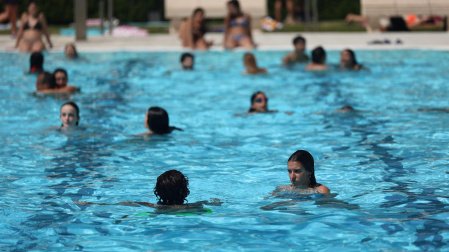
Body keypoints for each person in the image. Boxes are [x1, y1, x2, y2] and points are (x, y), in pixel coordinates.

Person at [75, 170, 222, 211]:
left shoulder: (155, 207)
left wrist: (91, 204)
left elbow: (124, 203)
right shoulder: (195, 207)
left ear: (157, 191)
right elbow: (215, 203)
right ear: (185, 191)